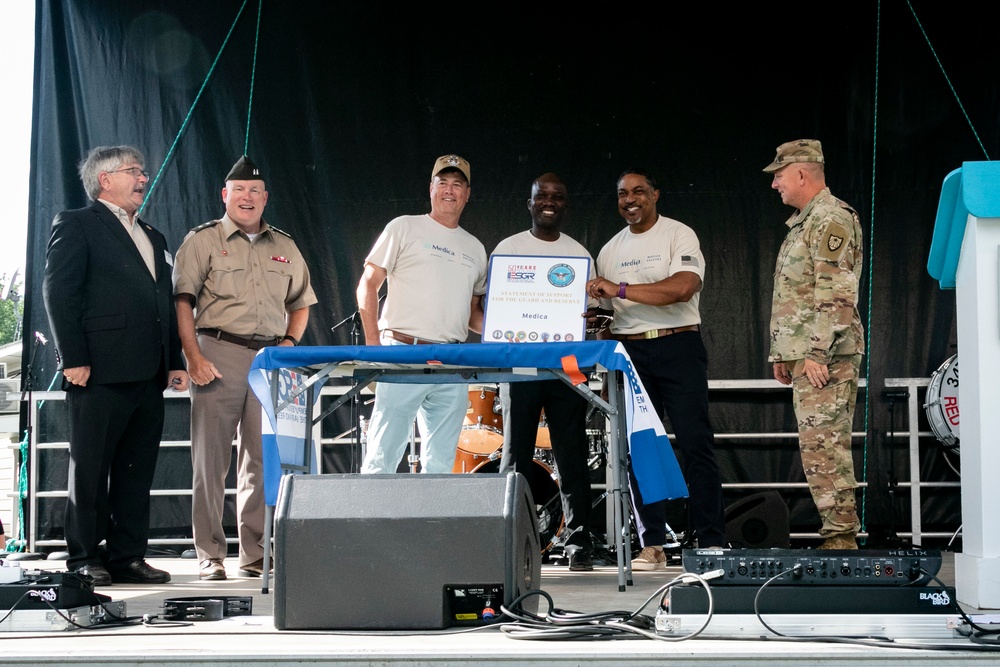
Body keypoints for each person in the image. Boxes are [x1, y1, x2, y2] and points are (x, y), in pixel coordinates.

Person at [42, 145, 189, 586]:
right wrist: (74, 357)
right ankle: (84, 558)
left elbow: (162, 303)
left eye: (142, 172)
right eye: (134, 171)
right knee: (89, 468)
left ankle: (127, 556)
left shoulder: (154, 235)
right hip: (99, 369)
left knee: (136, 469)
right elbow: (59, 292)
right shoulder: (78, 223)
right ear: (105, 179)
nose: (143, 178)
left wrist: (174, 361)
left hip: (148, 372)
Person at [173, 156, 317, 580]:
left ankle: (254, 554)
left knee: (260, 459)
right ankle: (209, 555)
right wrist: (193, 357)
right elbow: (182, 301)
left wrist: (289, 346)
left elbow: (302, 304)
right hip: (218, 353)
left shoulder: (285, 246)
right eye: (239, 190)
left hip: (270, 359)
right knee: (210, 460)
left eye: (255, 191)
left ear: (265, 197)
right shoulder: (202, 240)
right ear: (225, 195)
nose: (248, 197)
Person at [586, 167, 726, 570]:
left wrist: (620, 289)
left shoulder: (678, 234)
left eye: (639, 192)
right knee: (640, 448)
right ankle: (653, 545)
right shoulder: (609, 249)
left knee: (695, 443)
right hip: (630, 355)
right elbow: (606, 314)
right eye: (622, 193)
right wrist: (582, 319)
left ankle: (712, 541)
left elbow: (683, 287)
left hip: (678, 344)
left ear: (655, 195)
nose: (630, 199)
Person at [356, 155, 487, 474]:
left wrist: (513, 333)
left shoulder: (476, 248)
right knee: (382, 456)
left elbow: (473, 314)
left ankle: (433, 524)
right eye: (443, 182)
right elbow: (368, 285)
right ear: (430, 188)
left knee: (442, 463)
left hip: (451, 362)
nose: (449, 190)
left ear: (467, 194)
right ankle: (368, 523)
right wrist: (374, 345)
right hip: (402, 353)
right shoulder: (404, 227)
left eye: (458, 184)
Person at [763, 139, 865, 550]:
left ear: (802, 173)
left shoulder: (830, 219)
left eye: (779, 175)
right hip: (807, 354)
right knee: (817, 449)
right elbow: (796, 296)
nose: (776, 185)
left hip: (826, 355)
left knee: (826, 447)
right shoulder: (806, 222)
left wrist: (817, 352)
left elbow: (837, 294)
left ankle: (841, 539)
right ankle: (837, 535)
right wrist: (783, 353)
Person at [493, 173, 597, 571]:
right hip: (519, 365)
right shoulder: (509, 249)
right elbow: (490, 305)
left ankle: (578, 540)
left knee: (571, 454)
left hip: (566, 367)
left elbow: (593, 314)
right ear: (530, 202)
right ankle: (509, 534)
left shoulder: (580, 254)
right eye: (542, 196)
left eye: (557, 196)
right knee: (515, 455)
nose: (549, 202)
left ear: (565, 205)